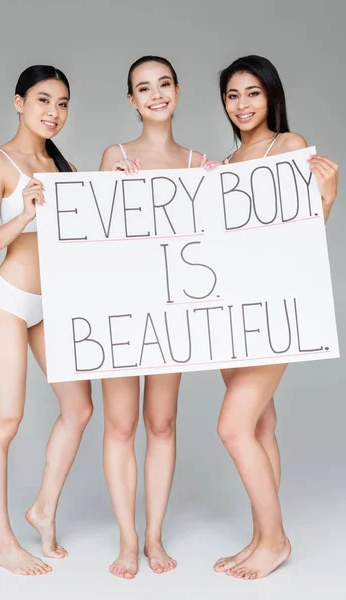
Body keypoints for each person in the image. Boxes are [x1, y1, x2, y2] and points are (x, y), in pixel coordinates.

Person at [211, 55, 338, 580]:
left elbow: (303, 233)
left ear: (271, 97)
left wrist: (328, 194)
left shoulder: (288, 146)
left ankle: (276, 540)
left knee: (233, 426)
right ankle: (262, 535)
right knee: (261, 423)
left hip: (272, 307)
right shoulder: (226, 160)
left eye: (252, 93)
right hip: (228, 309)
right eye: (233, 95)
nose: (242, 104)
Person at [0, 65, 93, 576]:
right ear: (19, 102)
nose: (54, 113)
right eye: (44, 100)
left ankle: (42, 507)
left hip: (52, 305)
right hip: (10, 300)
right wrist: (21, 216)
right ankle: (3, 541)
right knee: (6, 421)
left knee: (79, 408)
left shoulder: (64, 166)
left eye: (63, 103)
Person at [99, 55, 209, 579]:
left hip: (172, 312)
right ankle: (125, 539)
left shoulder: (200, 164)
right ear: (131, 101)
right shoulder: (114, 155)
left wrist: (220, 190)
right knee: (120, 425)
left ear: (178, 91)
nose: (156, 94)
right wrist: (108, 185)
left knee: (161, 423)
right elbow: (93, 239)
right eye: (144, 88)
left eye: (164, 83)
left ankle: (153, 535)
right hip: (119, 309)